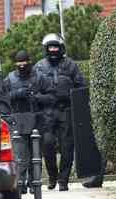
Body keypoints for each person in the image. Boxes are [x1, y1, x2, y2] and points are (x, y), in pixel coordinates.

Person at [34, 33, 86, 191]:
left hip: (65, 110)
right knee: (47, 144)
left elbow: (80, 86)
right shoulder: (39, 66)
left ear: (61, 48)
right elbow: (34, 89)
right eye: (50, 47)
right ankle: (52, 176)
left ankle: (63, 180)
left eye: (56, 47)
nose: (53, 50)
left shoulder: (71, 65)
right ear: (46, 49)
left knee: (67, 147)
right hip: (47, 113)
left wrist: (73, 99)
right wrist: (42, 100)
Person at [4, 50, 54, 195]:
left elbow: (52, 97)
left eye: (24, 62)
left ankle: (34, 183)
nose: (21, 65)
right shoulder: (10, 78)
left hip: (36, 121)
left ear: (29, 61)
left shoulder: (39, 78)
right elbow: (2, 97)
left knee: (35, 157)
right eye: (18, 63)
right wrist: (16, 94)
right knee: (21, 157)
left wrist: (38, 98)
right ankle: (20, 184)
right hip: (18, 122)